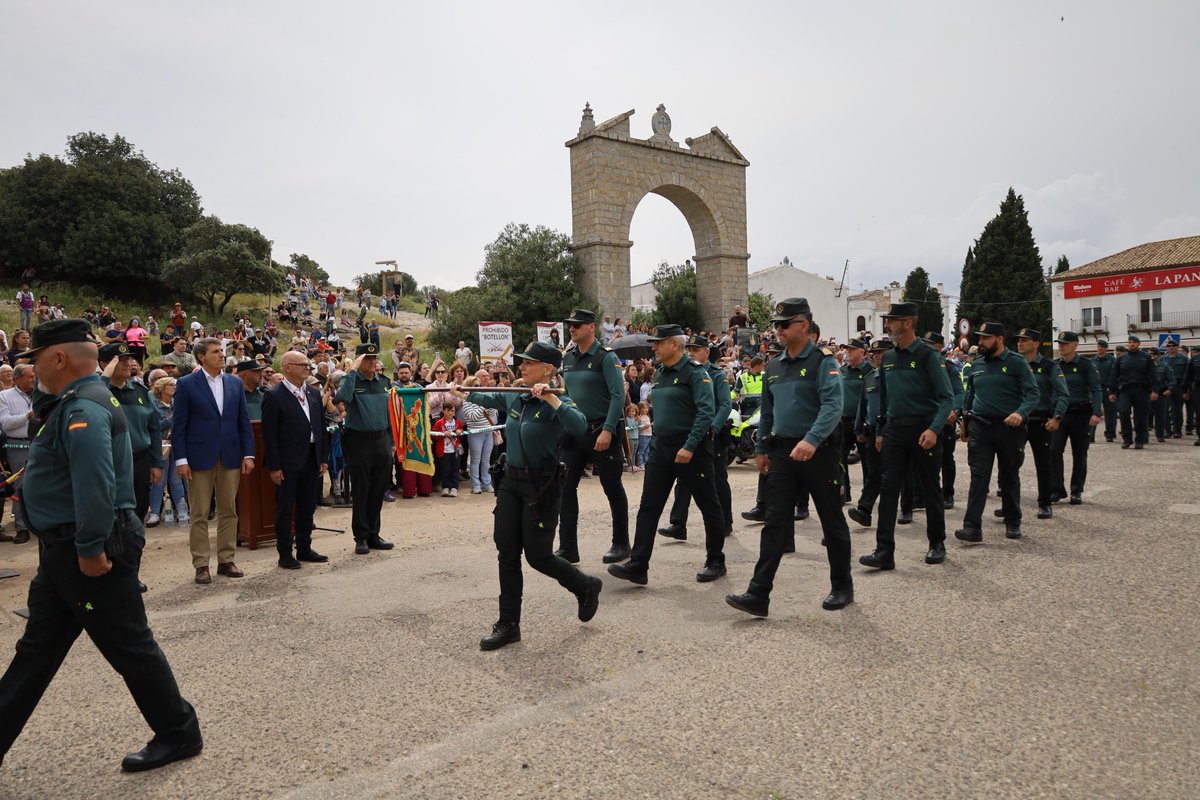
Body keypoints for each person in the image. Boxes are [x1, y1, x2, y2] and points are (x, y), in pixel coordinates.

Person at [0, 319, 202, 772]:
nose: (33, 369)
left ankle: (178, 731)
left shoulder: (83, 408)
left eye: (35, 360)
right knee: (36, 652)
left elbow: (95, 484)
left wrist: (91, 548)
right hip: (64, 550)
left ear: (58, 358)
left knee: (128, 644)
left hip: (87, 547)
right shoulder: (77, 399)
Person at [457, 341, 602, 650]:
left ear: (547, 369)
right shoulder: (517, 396)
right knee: (507, 552)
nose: (521, 366)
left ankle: (585, 585)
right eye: (521, 362)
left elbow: (578, 426)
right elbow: (486, 396)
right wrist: (462, 391)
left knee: (538, 556)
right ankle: (509, 624)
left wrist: (551, 398)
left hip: (542, 487)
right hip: (510, 483)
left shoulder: (559, 400)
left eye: (528, 363)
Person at [725, 297, 853, 616]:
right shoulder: (774, 366)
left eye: (784, 324)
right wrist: (760, 449)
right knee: (774, 523)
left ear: (804, 325)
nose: (778, 330)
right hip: (782, 454)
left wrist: (812, 440)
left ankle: (842, 586)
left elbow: (833, 406)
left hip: (819, 453)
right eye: (776, 325)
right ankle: (758, 594)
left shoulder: (823, 362)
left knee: (831, 520)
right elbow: (768, 412)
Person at [607, 324, 728, 586]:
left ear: (674, 344)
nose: (654, 347)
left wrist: (690, 446)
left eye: (659, 342)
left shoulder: (695, 372)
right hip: (661, 447)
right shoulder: (660, 373)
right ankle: (638, 565)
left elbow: (706, 412)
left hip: (691, 448)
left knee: (708, 505)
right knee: (649, 506)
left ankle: (716, 560)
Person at [859, 303, 955, 571]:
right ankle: (884, 551)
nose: (887, 324)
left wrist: (934, 429)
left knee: (930, 487)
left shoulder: (927, 355)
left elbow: (946, 398)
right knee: (889, 488)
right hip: (894, 430)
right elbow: (885, 399)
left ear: (908, 323)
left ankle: (937, 543)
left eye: (892, 320)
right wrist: (881, 430)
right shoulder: (888, 357)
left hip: (923, 429)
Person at [173, 337, 255, 584]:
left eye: (222, 351)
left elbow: (243, 421)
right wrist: (181, 459)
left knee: (229, 510)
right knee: (199, 512)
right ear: (201, 357)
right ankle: (201, 564)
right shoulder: (186, 384)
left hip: (230, 454)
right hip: (199, 456)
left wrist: (248, 454)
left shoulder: (234, 382)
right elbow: (179, 425)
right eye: (216, 351)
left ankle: (226, 560)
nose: (221, 355)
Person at [954, 322, 1039, 544]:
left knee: (1009, 475)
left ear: (999, 339)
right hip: (980, 428)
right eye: (980, 338)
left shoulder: (1016, 362)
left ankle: (1013, 520)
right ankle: (972, 527)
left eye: (985, 338)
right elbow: (970, 394)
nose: (980, 342)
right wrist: (965, 421)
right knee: (978, 477)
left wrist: (1020, 413)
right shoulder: (977, 364)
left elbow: (1032, 394)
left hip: (1009, 429)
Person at [558, 308, 629, 564]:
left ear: (591, 327)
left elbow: (618, 395)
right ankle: (568, 548)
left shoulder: (605, 357)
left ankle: (621, 544)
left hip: (600, 431)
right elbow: (566, 394)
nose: (572, 329)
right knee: (565, 488)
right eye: (570, 325)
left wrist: (608, 429)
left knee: (612, 488)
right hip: (574, 433)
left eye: (577, 325)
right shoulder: (568, 358)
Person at [658, 335, 733, 541]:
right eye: (689, 350)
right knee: (683, 480)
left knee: (717, 480)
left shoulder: (716, 374)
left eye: (696, 350)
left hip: (712, 435)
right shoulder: (685, 372)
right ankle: (678, 524)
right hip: (691, 434)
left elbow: (725, 405)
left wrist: (713, 428)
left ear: (706, 352)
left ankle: (725, 522)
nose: (691, 353)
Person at [261, 351, 329, 569]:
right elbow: (269, 435)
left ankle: (304, 548)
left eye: (308, 364)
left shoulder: (313, 393)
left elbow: (320, 427)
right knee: (284, 509)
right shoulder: (274, 395)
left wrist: (323, 457)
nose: (307, 368)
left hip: (311, 457)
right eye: (302, 365)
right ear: (287, 367)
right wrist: (274, 466)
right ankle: (285, 553)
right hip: (287, 462)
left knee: (307, 506)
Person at [334, 343, 396, 554]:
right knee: (362, 490)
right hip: (359, 441)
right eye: (366, 359)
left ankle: (373, 534)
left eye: (374, 358)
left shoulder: (384, 382)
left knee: (378, 489)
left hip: (381, 440)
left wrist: (391, 442)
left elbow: (389, 413)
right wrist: (352, 370)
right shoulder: (351, 380)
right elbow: (342, 398)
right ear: (358, 360)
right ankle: (360, 536)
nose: (372, 362)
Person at [100, 344, 163, 528]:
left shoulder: (141, 392)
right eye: (121, 360)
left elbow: (154, 429)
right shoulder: (99, 392)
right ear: (105, 365)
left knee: (138, 511)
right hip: (111, 462)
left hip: (140, 460)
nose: (128, 363)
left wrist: (156, 463)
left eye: (129, 358)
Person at [1012, 329, 1068, 520]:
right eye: (1019, 340)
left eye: (1025, 340)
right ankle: (1010, 505)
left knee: (1044, 464)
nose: (1020, 343)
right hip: (1017, 421)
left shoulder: (1048, 366)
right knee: (1010, 464)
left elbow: (1062, 393)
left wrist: (1057, 418)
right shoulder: (1014, 364)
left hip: (1041, 421)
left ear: (1036, 344)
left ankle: (1044, 503)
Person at [1051, 331, 1103, 504]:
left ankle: (1076, 490)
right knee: (1054, 450)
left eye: (1065, 343)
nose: (1061, 346)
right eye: (1060, 343)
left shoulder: (1086, 365)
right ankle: (1057, 489)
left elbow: (1096, 389)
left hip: (1081, 414)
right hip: (1060, 415)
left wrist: (1096, 412)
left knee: (1079, 453)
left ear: (1075, 345)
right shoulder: (1055, 365)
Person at [848, 339, 891, 528]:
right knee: (874, 474)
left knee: (900, 473)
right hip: (873, 432)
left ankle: (907, 507)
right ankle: (864, 511)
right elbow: (863, 405)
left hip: (894, 431)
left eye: (881, 353)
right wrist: (859, 428)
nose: (877, 356)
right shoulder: (870, 377)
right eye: (874, 354)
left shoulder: (895, 376)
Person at [0, 363, 37, 544]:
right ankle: (22, 527)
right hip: (17, 445)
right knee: (20, 487)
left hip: (41, 443)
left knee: (43, 483)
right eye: (30, 376)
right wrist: (29, 415)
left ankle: (40, 523)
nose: (34, 379)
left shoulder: (42, 394)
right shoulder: (4, 396)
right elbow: (6, 423)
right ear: (17, 379)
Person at [147, 376, 189, 527]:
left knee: (176, 480)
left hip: (177, 445)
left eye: (175, 385)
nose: (174, 387)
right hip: (160, 446)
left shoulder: (178, 403)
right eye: (171, 385)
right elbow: (153, 426)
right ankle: (155, 513)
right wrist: (172, 419)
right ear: (162, 388)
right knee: (159, 481)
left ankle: (181, 511)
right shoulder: (154, 404)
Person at [393, 361, 434, 499]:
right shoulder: (394, 388)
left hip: (418, 426)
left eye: (406, 372)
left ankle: (424, 488)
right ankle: (407, 488)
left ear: (411, 373)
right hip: (401, 428)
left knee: (421, 453)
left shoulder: (418, 386)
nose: (404, 375)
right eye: (401, 373)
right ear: (398, 374)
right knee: (405, 458)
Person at [1107, 334, 1154, 450]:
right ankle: (1127, 439)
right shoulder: (1121, 358)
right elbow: (1114, 375)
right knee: (1123, 412)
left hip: (1141, 390)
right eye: (1130, 342)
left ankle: (1140, 440)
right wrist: (1112, 391)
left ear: (1138, 344)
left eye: (1134, 342)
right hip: (1125, 390)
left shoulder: (1146, 357)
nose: (1132, 344)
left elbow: (1153, 374)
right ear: (1127, 344)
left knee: (1140, 416)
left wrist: (1154, 390)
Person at [837, 338, 870, 504]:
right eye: (847, 349)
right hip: (843, 422)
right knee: (840, 459)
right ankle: (844, 491)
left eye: (852, 349)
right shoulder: (842, 371)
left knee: (867, 462)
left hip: (862, 423)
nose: (848, 352)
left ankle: (867, 494)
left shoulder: (869, 371)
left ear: (861, 352)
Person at [432, 403, 462, 497]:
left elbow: (461, 429)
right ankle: (445, 487)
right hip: (444, 451)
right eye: (448, 410)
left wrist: (459, 431)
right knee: (445, 470)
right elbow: (434, 434)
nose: (450, 413)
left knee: (455, 469)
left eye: (452, 411)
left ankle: (454, 487)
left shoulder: (457, 422)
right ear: (443, 411)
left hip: (455, 450)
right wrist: (443, 433)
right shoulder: (439, 422)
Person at [1161, 340, 1188, 438]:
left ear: (1177, 347)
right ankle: (1167, 431)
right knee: (1165, 409)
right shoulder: (1163, 359)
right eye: (1169, 346)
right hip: (1166, 386)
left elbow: (1187, 374)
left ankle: (1177, 431)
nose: (1171, 347)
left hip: (1178, 386)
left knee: (1177, 410)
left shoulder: (1184, 359)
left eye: (1173, 346)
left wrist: (1186, 388)